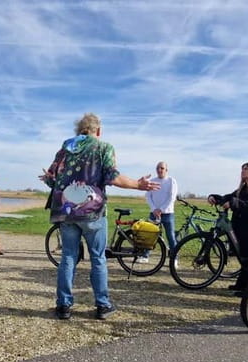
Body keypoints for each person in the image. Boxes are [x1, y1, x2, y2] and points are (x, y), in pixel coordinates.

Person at [40, 112, 159, 320]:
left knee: (68, 257)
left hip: (66, 213)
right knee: (98, 258)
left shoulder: (64, 150)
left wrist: (48, 179)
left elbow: (53, 180)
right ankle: (102, 306)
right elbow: (112, 177)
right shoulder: (103, 147)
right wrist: (138, 185)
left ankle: (64, 306)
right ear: (99, 130)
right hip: (92, 212)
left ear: (79, 130)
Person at [208, 162, 248, 295]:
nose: (242, 171)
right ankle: (241, 284)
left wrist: (233, 203)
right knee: (245, 260)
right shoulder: (242, 189)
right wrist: (215, 198)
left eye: (246, 169)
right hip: (242, 231)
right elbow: (229, 197)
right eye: (242, 169)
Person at [145, 161, 178, 260]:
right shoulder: (152, 181)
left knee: (171, 236)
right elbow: (148, 196)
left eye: (162, 168)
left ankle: (174, 258)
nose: (159, 170)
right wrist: (154, 209)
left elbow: (172, 197)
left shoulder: (171, 181)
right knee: (150, 235)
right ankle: (145, 255)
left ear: (166, 170)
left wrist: (161, 209)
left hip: (167, 214)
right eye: (158, 168)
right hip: (154, 213)